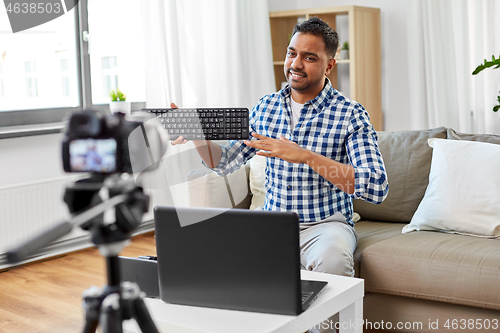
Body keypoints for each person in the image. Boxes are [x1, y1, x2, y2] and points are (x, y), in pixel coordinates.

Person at [173, 16, 388, 332]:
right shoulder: (266, 106)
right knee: (217, 263)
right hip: (273, 224)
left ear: (329, 65)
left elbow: (376, 185)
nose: (295, 64)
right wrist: (196, 136)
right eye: (292, 53)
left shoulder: (349, 113)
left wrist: (306, 157)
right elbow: (226, 161)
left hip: (325, 226)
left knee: (332, 259)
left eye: (309, 57)